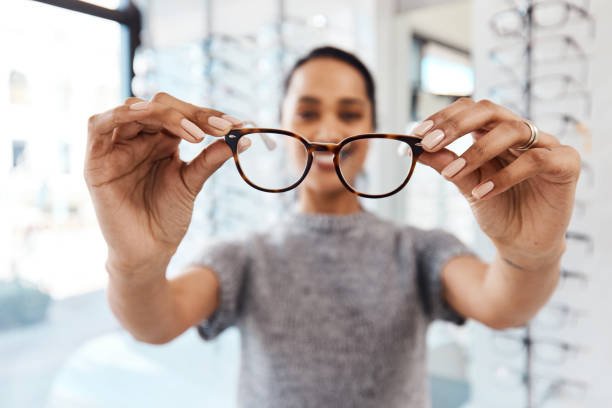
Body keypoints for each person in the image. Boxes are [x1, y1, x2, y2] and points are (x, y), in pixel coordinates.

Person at [84, 46, 581, 407]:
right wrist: (135, 262)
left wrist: (531, 253)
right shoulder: (244, 256)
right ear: (279, 123)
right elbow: (153, 322)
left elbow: (505, 304)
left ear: (373, 128)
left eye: (349, 113)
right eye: (306, 111)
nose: (326, 132)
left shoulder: (419, 250)